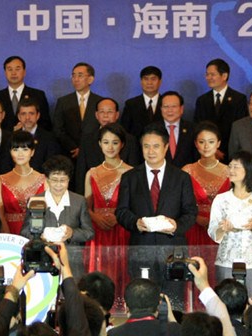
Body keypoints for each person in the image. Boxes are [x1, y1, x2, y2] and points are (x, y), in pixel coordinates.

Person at [115, 123, 197, 279]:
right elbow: (121, 211)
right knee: (142, 297)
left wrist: (176, 226)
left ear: (166, 147)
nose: (150, 151)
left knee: (174, 298)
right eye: (146, 146)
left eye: (155, 146)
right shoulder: (130, 177)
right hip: (141, 249)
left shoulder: (181, 177)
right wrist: (135, 223)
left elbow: (191, 211)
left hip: (173, 249)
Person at [208, 150, 252, 297]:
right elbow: (212, 231)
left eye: (236, 166)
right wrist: (222, 229)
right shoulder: (221, 199)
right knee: (226, 301)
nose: (231, 170)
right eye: (230, 166)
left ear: (248, 170)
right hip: (226, 259)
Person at [83, 123, 132, 305]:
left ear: (122, 144)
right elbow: (86, 206)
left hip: (122, 230)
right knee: (100, 274)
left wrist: (118, 217)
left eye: (115, 142)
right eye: (106, 142)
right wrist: (95, 217)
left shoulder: (131, 172)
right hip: (98, 231)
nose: (110, 147)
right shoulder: (91, 173)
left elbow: (135, 206)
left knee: (121, 270)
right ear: (99, 144)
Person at [20, 155, 94, 245]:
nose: (58, 185)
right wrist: (39, 237)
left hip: (71, 256)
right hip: (45, 254)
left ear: (69, 180)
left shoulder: (79, 201)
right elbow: (25, 231)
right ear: (47, 179)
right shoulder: (35, 201)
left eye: (62, 180)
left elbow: (89, 233)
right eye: (54, 180)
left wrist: (72, 233)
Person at [75, 98, 140, 194]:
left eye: (110, 112)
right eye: (102, 112)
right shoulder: (87, 139)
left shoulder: (130, 139)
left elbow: (134, 171)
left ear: (117, 115)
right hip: (93, 196)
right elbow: (81, 172)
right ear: (96, 115)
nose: (105, 116)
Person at [182, 121, 229, 246]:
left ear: (218, 143)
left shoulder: (230, 172)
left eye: (211, 142)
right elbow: (180, 203)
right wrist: (196, 218)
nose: (206, 146)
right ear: (196, 144)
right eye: (202, 142)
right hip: (194, 226)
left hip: (222, 229)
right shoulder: (187, 170)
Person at [194, 58, 248, 161]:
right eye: (207, 74)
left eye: (212, 74)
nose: (208, 77)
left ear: (224, 76)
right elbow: (198, 127)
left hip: (231, 154)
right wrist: (213, 149)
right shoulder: (202, 100)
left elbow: (240, 130)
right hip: (206, 153)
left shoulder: (239, 99)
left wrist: (224, 151)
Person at [0, 130, 46, 234]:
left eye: (25, 149)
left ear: (32, 152)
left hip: (37, 235)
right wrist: (8, 238)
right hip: (9, 235)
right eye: (15, 149)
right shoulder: (0, 181)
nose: (20, 154)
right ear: (10, 152)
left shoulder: (44, 180)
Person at [53, 62, 102, 159]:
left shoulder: (100, 102)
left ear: (90, 79)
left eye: (80, 75)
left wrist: (86, 148)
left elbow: (102, 129)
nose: (76, 79)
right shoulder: (63, 102)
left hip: (94, 153)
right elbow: (58, 129)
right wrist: (73, 147)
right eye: (73, 76)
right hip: (69, 153)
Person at [0, 55, 52, 131]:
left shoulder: (38, 95)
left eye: (17, 69)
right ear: (5, 73)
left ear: (24, 72)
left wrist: (28, 129)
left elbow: (45, 123)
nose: (13, 73)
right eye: (10, 69)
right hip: (3, 141)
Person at [107, 278, 180, 336]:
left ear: (126, 307)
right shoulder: (172, 330)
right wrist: (170, 316)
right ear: (159, 306)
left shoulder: (114, 333)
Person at [154, 91, 198, 168]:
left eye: (174, 106)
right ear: (161, 109)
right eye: (166, 107)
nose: (169, 110)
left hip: (186, 176)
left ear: (181, 109)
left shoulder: (193, 129)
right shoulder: (152, 129)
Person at [16, 100, 61, 173]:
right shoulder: (12, 137)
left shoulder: (49, 138)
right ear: (19, 117)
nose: (27, 117)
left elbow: (52, 165)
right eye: (23, 114)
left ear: (38, 116)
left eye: (31, 113)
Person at [121, 65, 163, 140]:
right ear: (141, 81)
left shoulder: (166, 103)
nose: (149, 83)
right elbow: (125, 131)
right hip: (137, 149)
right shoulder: (131, 104)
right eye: (146, 79)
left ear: (160, 82)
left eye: (153, 79)